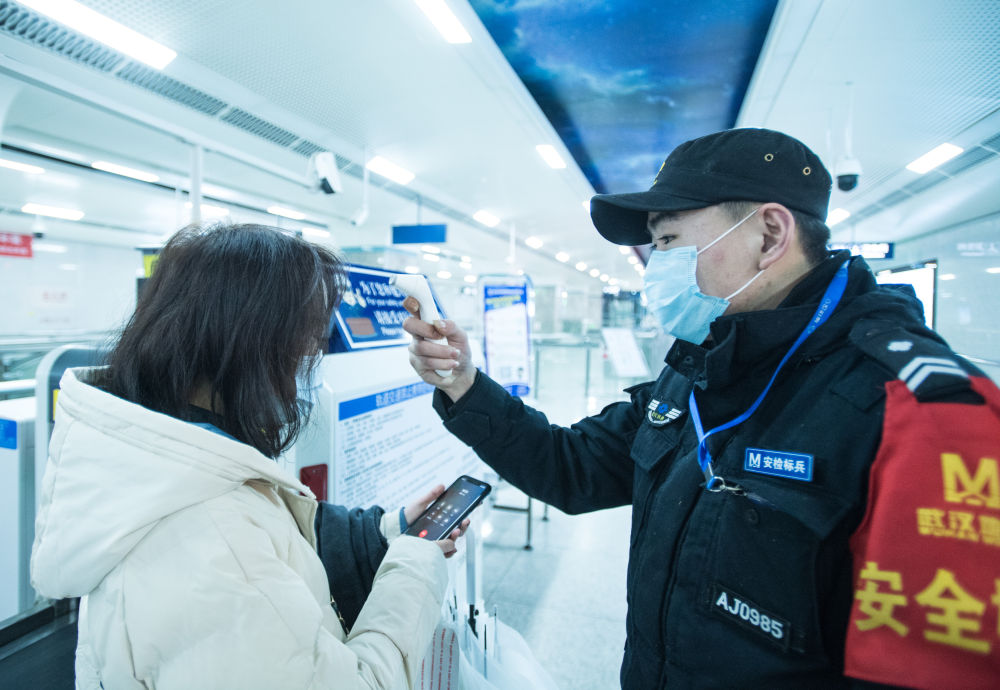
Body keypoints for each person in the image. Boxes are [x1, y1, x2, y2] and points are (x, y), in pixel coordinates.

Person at [403, 128, 1000, 688]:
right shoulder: (699, 367)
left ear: (769, 235)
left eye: (668, 241)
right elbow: (572, 466)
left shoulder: (917, 413)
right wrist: (464, 383)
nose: (656, 267)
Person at [31, 223, 467, 689]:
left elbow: (275, 539)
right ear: (253, 345)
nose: (308, 361)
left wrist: (389, 530)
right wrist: (414, 565)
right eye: (306, 341)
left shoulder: (159, 455)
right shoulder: (214, 540)